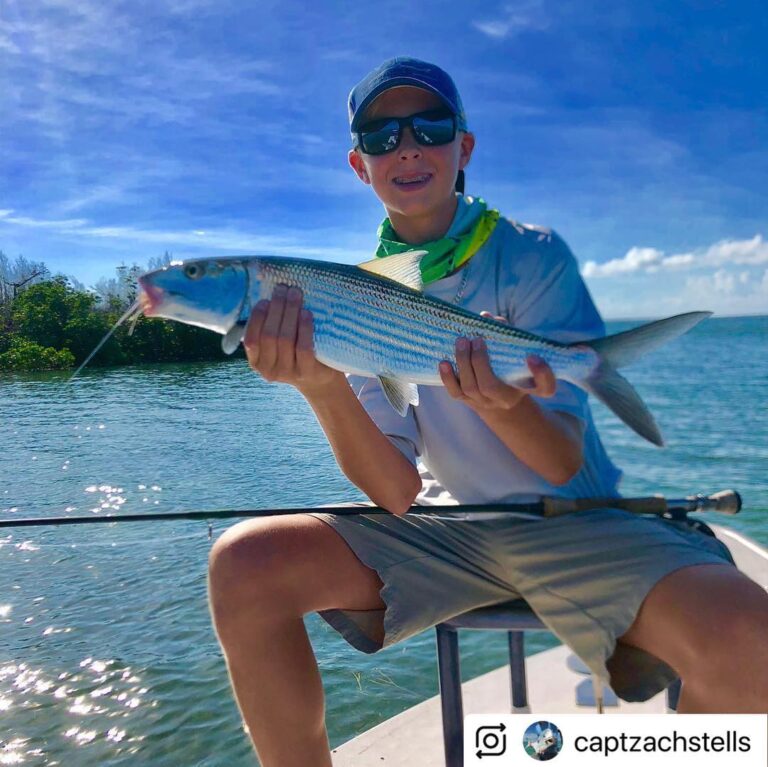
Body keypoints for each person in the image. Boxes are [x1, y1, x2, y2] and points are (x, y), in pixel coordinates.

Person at [207, 57, 768, 766]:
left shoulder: (532, 256)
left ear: (463, 147)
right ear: (359, 165)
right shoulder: (350, 296)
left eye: (430, 126)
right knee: (243, 565)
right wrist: (320, 387)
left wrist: (504, 407)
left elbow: (563, 460)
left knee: (752, 638)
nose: (407, 147)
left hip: (574, 518)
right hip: (447, 528)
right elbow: (397, 493)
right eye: (381, 136)